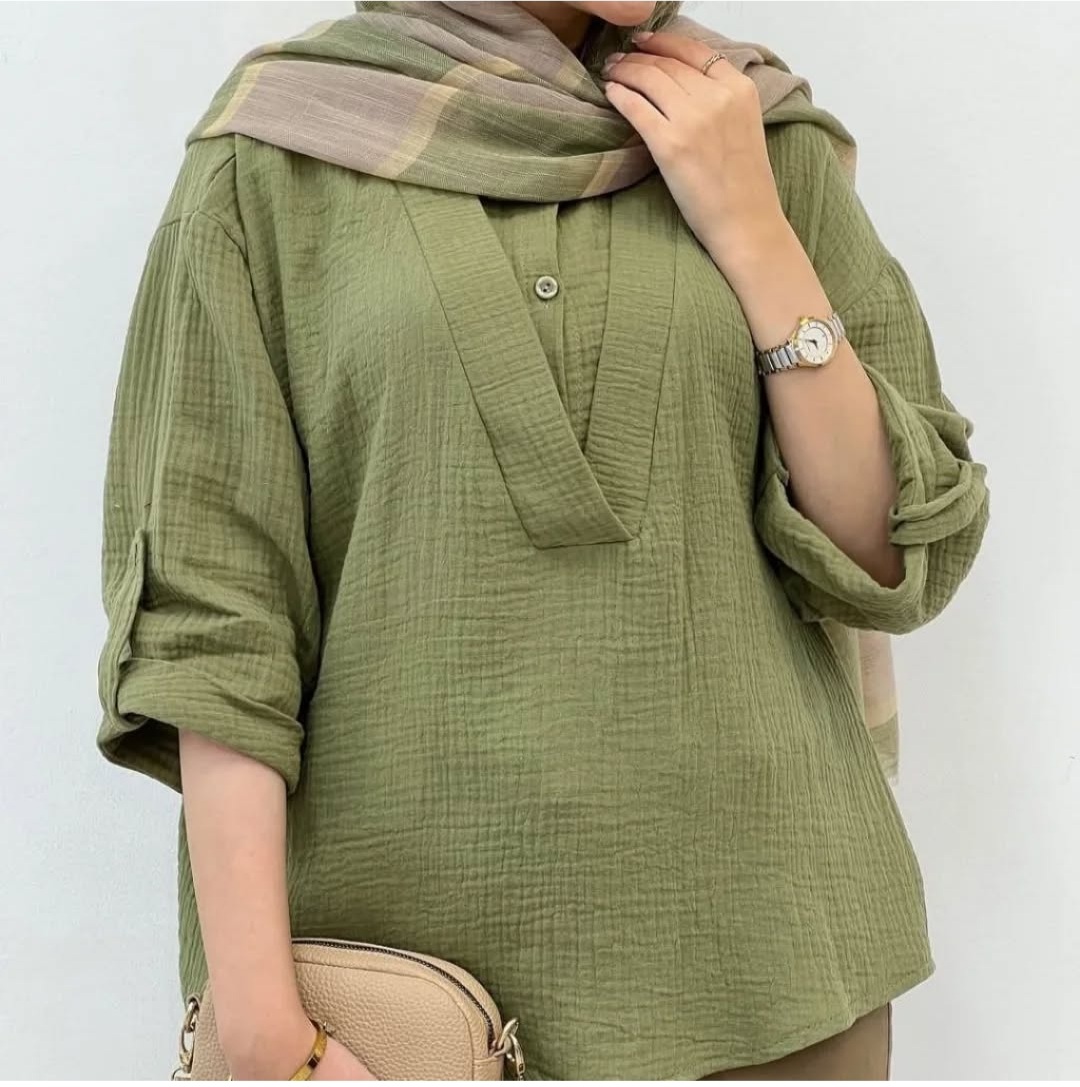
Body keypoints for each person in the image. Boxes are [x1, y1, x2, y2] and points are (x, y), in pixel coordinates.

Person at [95, 0, 989, 1079]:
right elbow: (213, 617)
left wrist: (752, 227)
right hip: (401, 1017)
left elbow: (893, 553)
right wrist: (265, 1037)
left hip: (782, 974)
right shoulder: (272, 157)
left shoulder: (751, 127)